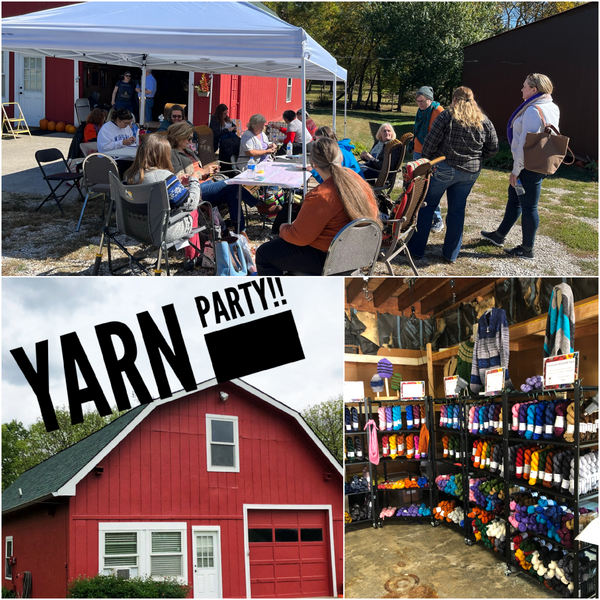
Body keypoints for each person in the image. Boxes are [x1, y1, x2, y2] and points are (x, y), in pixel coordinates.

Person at [256, 137, 381, 275]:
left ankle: (287, 293)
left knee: (264, 254)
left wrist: (282, 228)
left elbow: (299, 237)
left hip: (329, 259)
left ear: (314, 164)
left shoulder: (321, 195)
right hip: (356, 254)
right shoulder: (355, 178)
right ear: (340, 158)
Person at [406, 86, 499, 264]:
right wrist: (477, 158)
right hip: (470, 172)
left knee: (427, 206)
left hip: (444, 167)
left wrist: (426, 161)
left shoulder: (447, 116)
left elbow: (430, 143)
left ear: (454, 99)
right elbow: (493, 147)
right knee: (457, 211)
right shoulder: (483, 119)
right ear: (472, 100)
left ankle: (416, 251)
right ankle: (451, 254)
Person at [480, 73, 560, 260]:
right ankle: (499, 236)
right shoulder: (552, 106)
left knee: (529, 206)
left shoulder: (533, 110)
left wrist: (516, 171)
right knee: (514, 199)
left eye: (524, 86)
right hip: (539, 163)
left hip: (528, 166)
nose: (521, 89)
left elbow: (526, 144)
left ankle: (527, 249)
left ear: (534, 90)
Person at [167, 121, 273, 232]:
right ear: (178, 138)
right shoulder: (172, 155)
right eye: (188, 138)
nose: (190, 141)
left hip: (206, 183)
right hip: (194, 190)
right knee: (232, 184)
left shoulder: (187, 150)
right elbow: (179, 179)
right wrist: (202, 172)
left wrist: (207, 172)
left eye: (191, 138)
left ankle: (240, 232)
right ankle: (258, 205)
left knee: (234, 194)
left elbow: (198, 171)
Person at [124, 134, 202, 271]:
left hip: (135, 228)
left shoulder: (130, 174)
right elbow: (190, 203)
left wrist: (177, 181)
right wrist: (194, 180)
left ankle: (194, 255)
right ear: (162, 155)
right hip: (161, 231)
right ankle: (193, 256)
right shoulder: (164, 176)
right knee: (193, 210)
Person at [412, 86, 445, 233]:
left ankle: (437, 219)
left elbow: (444, 133)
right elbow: (418, 130)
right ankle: (419, 215)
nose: (420, 104)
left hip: (432, 153)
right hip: (418, 152)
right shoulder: (421, 111)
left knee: (430, 187)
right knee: (417, 185)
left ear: (430, 99)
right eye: (418, 101)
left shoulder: (438, 111)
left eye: (422, 101)